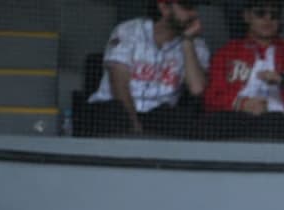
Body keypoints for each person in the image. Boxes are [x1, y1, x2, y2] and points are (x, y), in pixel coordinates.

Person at [202, 1, 284, 143]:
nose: (268, 19)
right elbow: (210, 99)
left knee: (274, 120)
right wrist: (241, 104)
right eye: (260, 13)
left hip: (281, 125)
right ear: (247, 16)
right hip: (235, 121)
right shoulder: (227, 52)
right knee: (211, 125)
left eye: (274, 15)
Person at [83, 0, 210, 138]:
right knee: (115, 113)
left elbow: (197, 89)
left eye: (195, 8)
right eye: (187, 7)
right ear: (164, 7)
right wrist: (135, 126)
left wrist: (187, 41)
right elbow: (119, 86)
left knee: (181, 119)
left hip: (158, 117)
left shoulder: (197, 45)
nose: (194, 13)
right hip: (115, 111)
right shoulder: (129, 30)